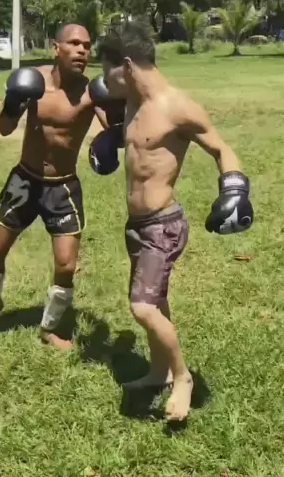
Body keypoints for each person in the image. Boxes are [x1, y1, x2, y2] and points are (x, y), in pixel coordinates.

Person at [91, 21, 253, 421]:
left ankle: (182, 378)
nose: (105, 79)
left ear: (128, 66)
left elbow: (221, 148)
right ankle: (159, 371)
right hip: (136, 225)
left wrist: (234, 190)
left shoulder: (177, 107)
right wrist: (109, 140)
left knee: (142, 306)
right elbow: (132, 140)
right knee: (157, 301)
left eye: (109, 70)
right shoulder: (132, 101)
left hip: (162, 225)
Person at [0, 23, 125, 349]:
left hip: (63, 187)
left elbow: (118, 134)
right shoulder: (33, 81)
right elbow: (4, 127)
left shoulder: (93, 92)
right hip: (25, 180)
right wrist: (13, 100)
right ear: (56, 48)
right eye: (74, 43)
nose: (82, 50)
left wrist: (117, 116)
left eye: (87, 45)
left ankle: (49, 328)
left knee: (66, 265)